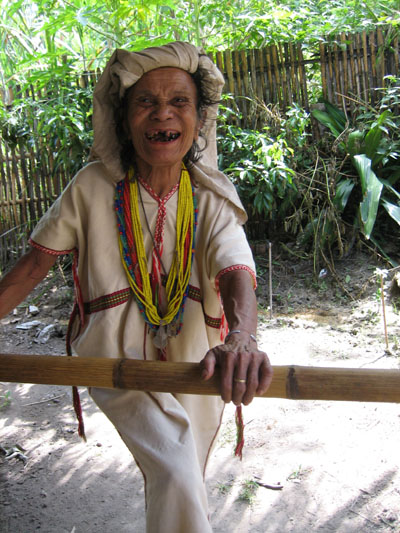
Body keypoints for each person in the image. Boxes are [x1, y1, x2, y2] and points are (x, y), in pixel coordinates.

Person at [0, 42, 273, 532]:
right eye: (146, 102)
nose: (162, 114)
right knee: (176, 465)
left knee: (184, 472)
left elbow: (236, 270)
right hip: (114, 356)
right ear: (124, 121)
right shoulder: (90, 188)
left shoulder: (211, 196)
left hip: (196, 357)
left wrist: (242, 337)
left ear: (199, 119)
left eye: (179, 102)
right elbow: (32, 268)